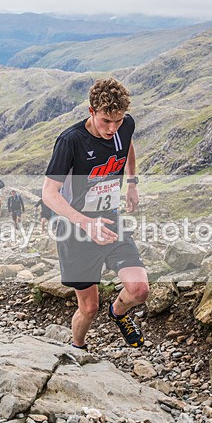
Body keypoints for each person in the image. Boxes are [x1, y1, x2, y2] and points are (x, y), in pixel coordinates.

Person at [42, 78, 147, 351]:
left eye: (118, 121)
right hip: (76, 230)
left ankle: (119, 313)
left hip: (110, 220)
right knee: (89, 308)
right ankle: (78, 348)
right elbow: (49, 194)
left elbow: (128, 146)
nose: (112, 129)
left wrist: (132, 184)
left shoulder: (126, 126)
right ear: (91, 111)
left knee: (139, 290)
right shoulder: (70, 141)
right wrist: (87, 224)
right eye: (105, 121)